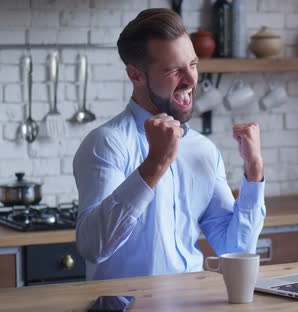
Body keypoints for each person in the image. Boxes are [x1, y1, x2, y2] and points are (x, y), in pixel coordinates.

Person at [73, 8, 265, 281]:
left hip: (191, 302)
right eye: (175, 70)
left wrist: (254, 172)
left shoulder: (203, 150)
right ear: (135, 75)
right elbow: (93, 248)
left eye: (193, 64)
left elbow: (234, 248)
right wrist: (154, 166)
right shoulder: (106, 144)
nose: (191, 80)